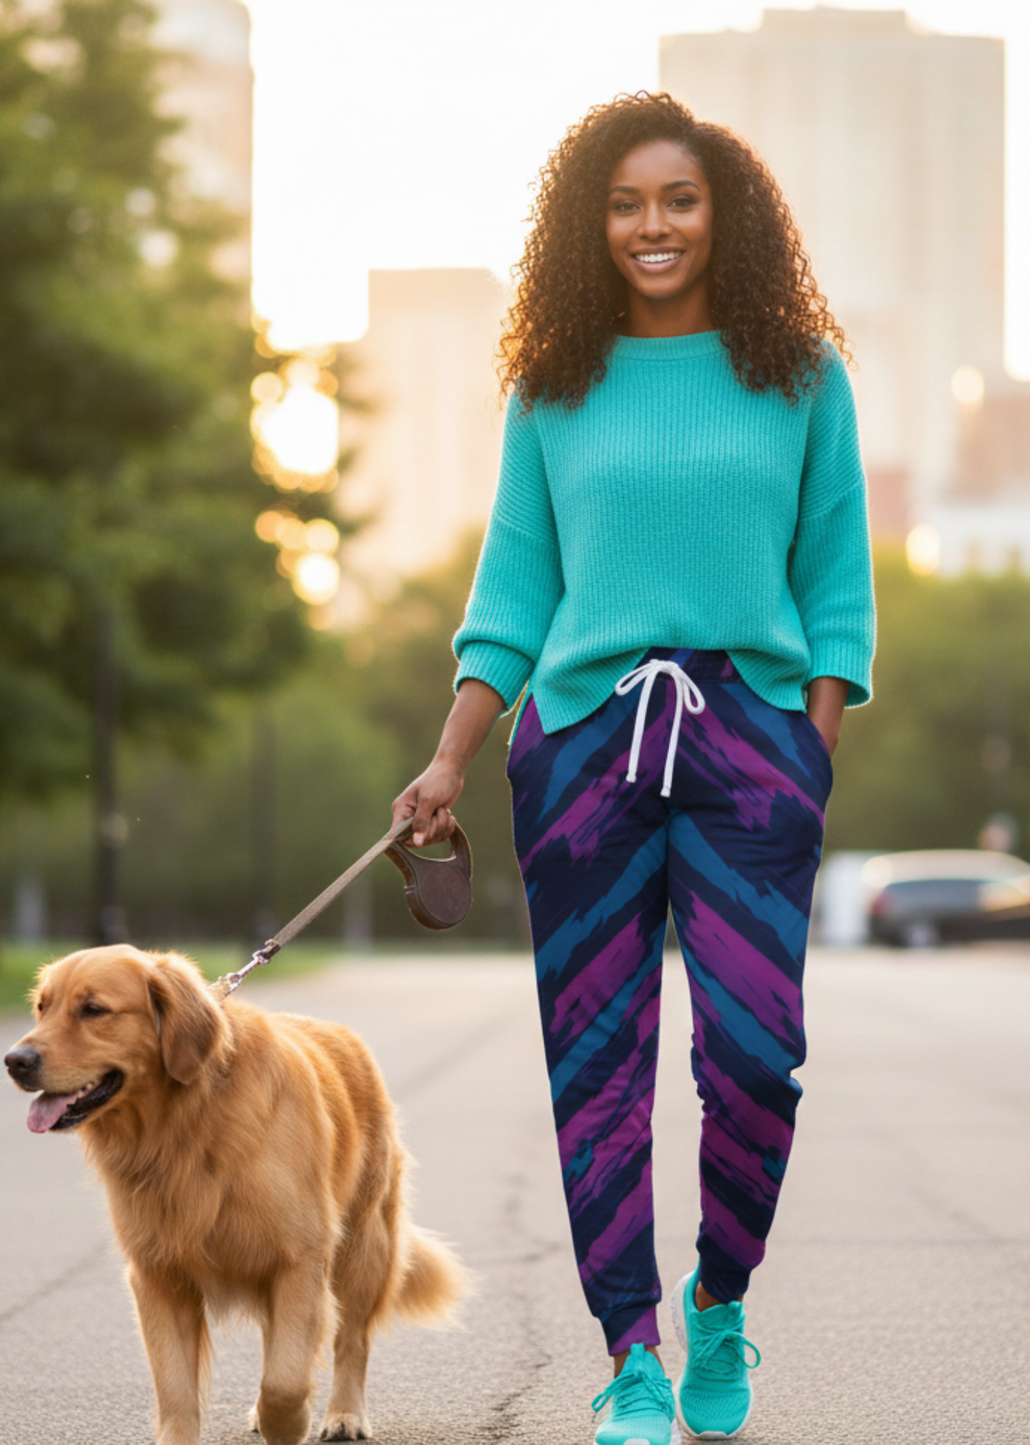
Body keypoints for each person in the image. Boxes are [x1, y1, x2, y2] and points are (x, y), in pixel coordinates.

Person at [393, 92, 875, 1444]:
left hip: (751, 741)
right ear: (588, 225)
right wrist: (447, 760)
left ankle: (722, 1303)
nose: (651, 226)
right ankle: (633, 1361)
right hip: (584, 745)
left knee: (758, 1057)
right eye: (624, 205)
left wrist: (810, 746)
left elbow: (836, 581)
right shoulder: (555, 384)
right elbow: (514, 592)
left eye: (675, 199)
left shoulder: (801, 374)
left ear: (723, 212)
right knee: (597, 1063)